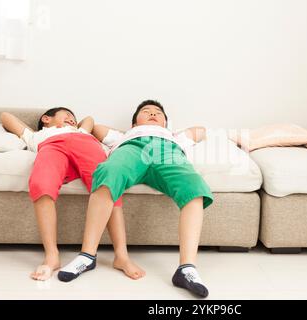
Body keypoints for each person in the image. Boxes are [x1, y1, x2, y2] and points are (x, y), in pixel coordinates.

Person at [58, 100, 213, 297]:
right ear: (133, 123)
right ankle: (87, 255)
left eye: (158, 113)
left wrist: (167, 130)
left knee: (194, 185)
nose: (152, 114)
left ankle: (187, 269)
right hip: (132, 149)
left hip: (166, 150)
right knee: (107, 171)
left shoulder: (175, 136)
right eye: (146, 112)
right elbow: (97, 128)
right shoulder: (124, 135)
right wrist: (133, 130)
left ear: (166, 122)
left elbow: (200, 130)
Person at [0, 108, 140, 281]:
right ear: (46, 119)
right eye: (66, 115)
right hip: (52, 146)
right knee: (40, 184)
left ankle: (122, 256)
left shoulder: (81, 131)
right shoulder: (35, 136)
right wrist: (46, 127)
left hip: (85, 145)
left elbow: (89, 118)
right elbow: (6, 116)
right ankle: (52, 256)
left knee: (109, 186)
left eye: (73, 117)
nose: (71, 119)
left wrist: (74, 125)